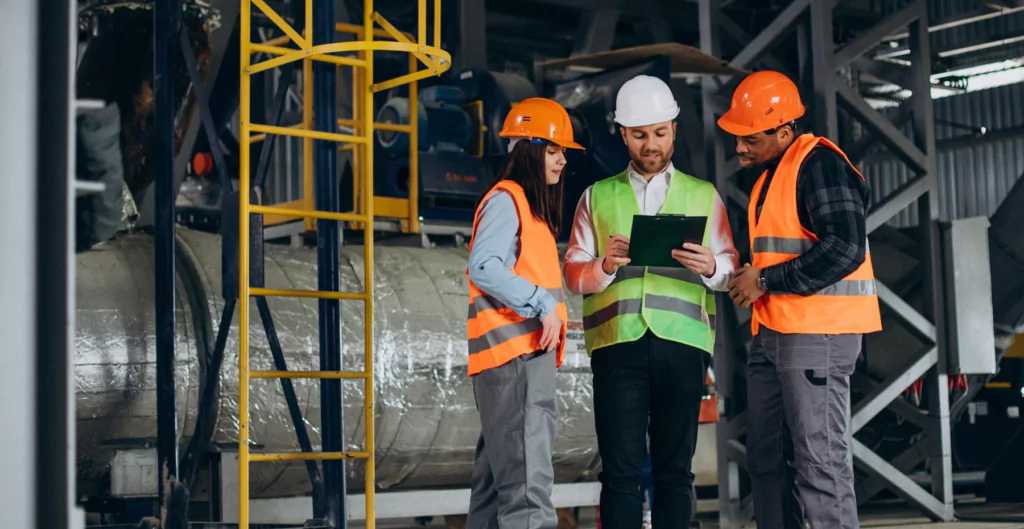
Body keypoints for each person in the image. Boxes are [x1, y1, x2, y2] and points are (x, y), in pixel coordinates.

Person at [564, 74, 740, 528]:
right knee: (619, 472)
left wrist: (710, 266)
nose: (651, 145)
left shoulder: (704, 196)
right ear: (622, 134)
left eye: (660, 133)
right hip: (617, 345)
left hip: (682, 345)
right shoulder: (596, 197)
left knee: (674, 472)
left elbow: (729, 271)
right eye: (640, 135)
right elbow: (572, 274)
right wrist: (605, 265)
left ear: (674, 130)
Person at [719, 70, 883, 529]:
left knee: (819, 463)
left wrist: (766, 280)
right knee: (767, 462)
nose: (740, 148)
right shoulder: (771, 178)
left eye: (750, 138)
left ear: (784, 130)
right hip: (773, 334)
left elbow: (846, 249)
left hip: (818, 337)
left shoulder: (819, 164)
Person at [465, 97, 584, 529]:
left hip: (514, 361)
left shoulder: (526, 207)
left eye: (563, 152)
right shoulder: (507, 199)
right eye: (553, 150)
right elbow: (483, 266)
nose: (563, 160)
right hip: (515, 361)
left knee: (496, 490)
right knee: (528, 492)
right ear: (529, 150)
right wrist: (542, 304)